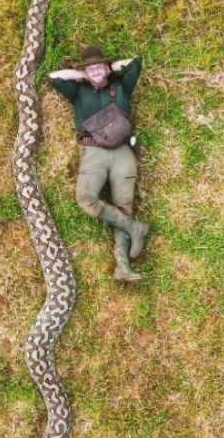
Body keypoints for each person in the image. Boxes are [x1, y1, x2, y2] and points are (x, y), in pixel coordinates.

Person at [48, 44, 149, 282]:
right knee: (86, 198)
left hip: (123, 151)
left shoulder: (121, 87)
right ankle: (135, 228)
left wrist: (111, 68)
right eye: (89, 68)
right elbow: (53, 77)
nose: (94, 71)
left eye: (98, 66)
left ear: (106, 67)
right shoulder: (78, 92)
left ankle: (123, 267)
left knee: (123, 207)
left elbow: (136, 62)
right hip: (93, 151)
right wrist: (82, 74)